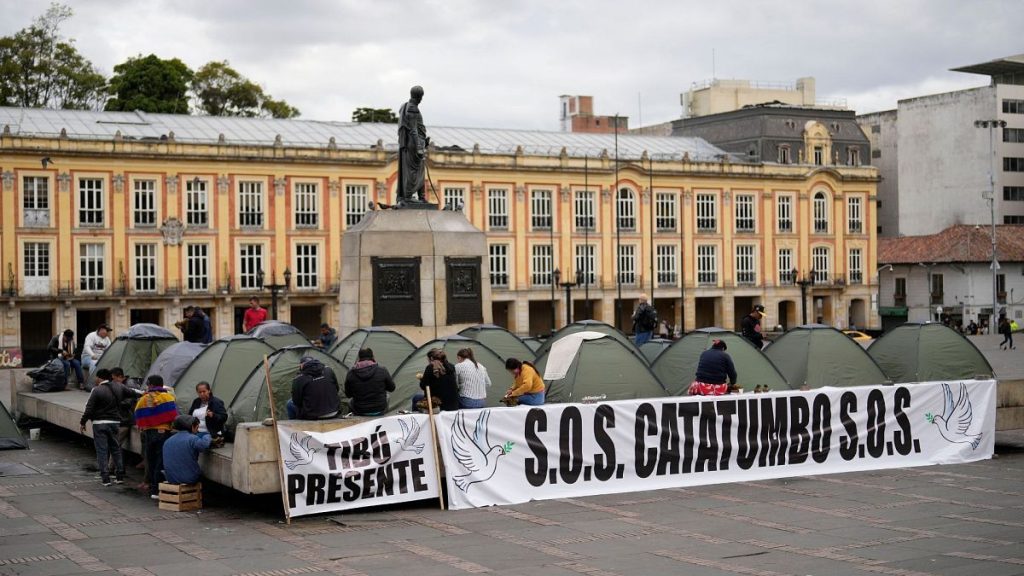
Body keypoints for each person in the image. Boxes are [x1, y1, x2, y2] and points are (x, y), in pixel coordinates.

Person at [134, 375, 178, 499]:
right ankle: (157, 489)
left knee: (151, 460)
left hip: (148, 433)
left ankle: (153, 488)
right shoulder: (168, 397)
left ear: (151, 385)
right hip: (163, 433)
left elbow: (138, 414)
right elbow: (173, 415)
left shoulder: (144, 399)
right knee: (161, 460)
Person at [79, 368, 125, 486]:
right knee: (116, 449)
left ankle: (105, 478)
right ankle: (119, 476)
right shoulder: (118, 387)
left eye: (96, 377)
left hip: (99, 424)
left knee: (102, 451)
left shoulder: (97, 390)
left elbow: (89, 409)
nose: (95, 379)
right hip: (114, 423)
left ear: (100, 378)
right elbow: (134, 392)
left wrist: (83, 422)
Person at [398, 85, 428, 203]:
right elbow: (413, 129)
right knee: (414, 170)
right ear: (419, 97)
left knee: (418, 169)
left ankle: (421, 196)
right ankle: (409, 196)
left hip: (412, 143)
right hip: (414, 144)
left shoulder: (404, 106)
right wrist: (419, 147)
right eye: (421, 97)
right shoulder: (412, 109)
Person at [343, 348, 396, 416]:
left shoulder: (351, 373)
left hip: (360, 410)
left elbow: (348, 395)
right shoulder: (382, 370)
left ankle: (354, 421)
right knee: (387, 396)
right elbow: (392, 388)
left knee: (350, 401)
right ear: (372, 357)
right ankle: (383, 418)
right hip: (379, 408)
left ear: (359, 358)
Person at [162, 415, 211, 485]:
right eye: (197, 428)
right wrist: (207, 435)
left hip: (171, 479)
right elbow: (204, 445)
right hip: (189, 478)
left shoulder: (167, 441)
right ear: (191, 427)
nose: (197, 431)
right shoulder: (192, 439)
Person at [187, 382, 228, 447]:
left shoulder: (216, 402)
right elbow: (189, 415)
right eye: (199, 392)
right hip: (196, 431)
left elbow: (224, 417)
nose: (202, 394)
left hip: (210, 433)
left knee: (194, 442)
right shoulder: (196, 401)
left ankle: (216, 440)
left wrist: (213, 415)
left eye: (204, 391)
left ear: (209, 391)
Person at [82, 324, 112, 390]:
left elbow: (109, 350)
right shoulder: (91, 336)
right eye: (106, 331)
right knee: (94, 363)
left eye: (108, 331)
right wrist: (92, 355)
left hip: (100, 358)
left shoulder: (107, 339)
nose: (107, 333)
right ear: (101, 330)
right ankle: (92, 384)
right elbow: (87, 347)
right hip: (87, 357)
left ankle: (107, 385)